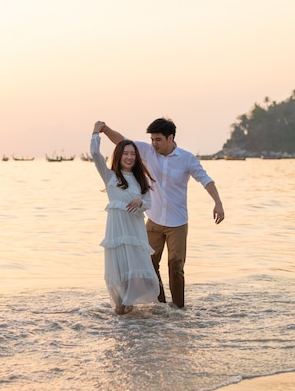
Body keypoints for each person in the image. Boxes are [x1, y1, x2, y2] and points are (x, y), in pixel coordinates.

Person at [98, 118, 225, 308]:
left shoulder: (187, 158)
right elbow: (121, 141)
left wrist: (218, 203)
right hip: (154, 220)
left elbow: (206, 180)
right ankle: (162, 306)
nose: (154, 144)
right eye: (152, 139)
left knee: (175, 265)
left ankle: (179, 308)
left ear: (170, 138)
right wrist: (104, 129)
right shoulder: (148, 152)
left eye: (158, 140)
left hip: (177, 223)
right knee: (149, 264)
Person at [90, 121, 161, 315]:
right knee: (119, 274)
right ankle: (122, 318)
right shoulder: (110, 176)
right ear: (119, 156)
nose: (129, 157)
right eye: (125, 153)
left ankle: (132, 315)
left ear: (136, 157)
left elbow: (148, 201)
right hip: (116, 234)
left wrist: (140, 202)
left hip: (135, 234)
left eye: (132, 154)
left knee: (138, 275)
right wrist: (96, 132)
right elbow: (95, 155)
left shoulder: (141, 180)